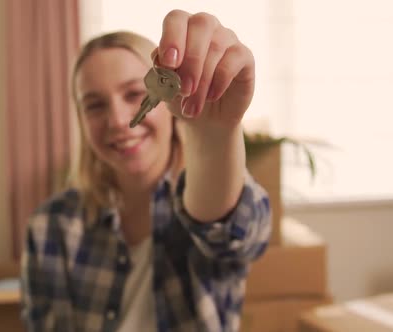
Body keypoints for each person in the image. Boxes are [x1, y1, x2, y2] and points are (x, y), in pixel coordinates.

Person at [21, 9, 271, 332]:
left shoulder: (203, 198)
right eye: (95, 105)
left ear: (168, 103)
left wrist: (215, 136)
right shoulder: (49, 226)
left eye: (136, 95)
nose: (120, 121)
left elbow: (235, 231)